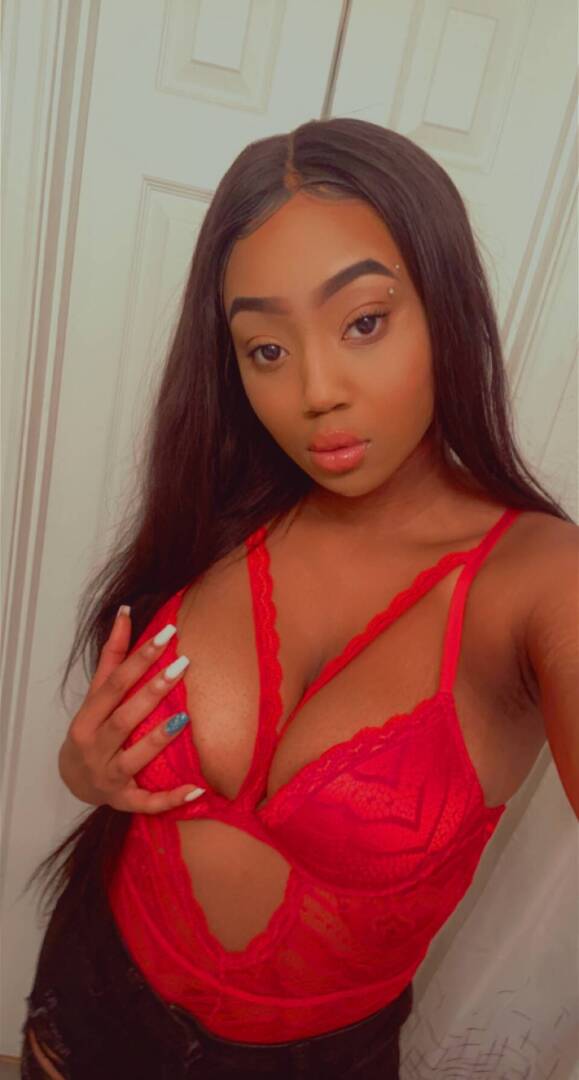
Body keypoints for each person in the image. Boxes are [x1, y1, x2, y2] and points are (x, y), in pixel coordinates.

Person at [20, 117, 576, 1079]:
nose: (315, 391)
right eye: (266, 349)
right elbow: (113, 776)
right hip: (93, 1000)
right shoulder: (226, 509)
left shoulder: (535, 581)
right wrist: (85, 774)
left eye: (363, 321)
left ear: (445, 307)